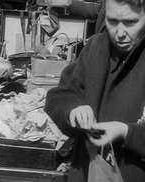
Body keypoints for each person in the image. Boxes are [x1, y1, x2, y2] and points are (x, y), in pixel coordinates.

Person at [44, 0, 145, 181]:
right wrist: (73, 109)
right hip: (87, 171)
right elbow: (58, 97)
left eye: (130, 23)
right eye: (112, 21)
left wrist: (126, 132)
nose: (120, 33)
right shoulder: (96, 46)